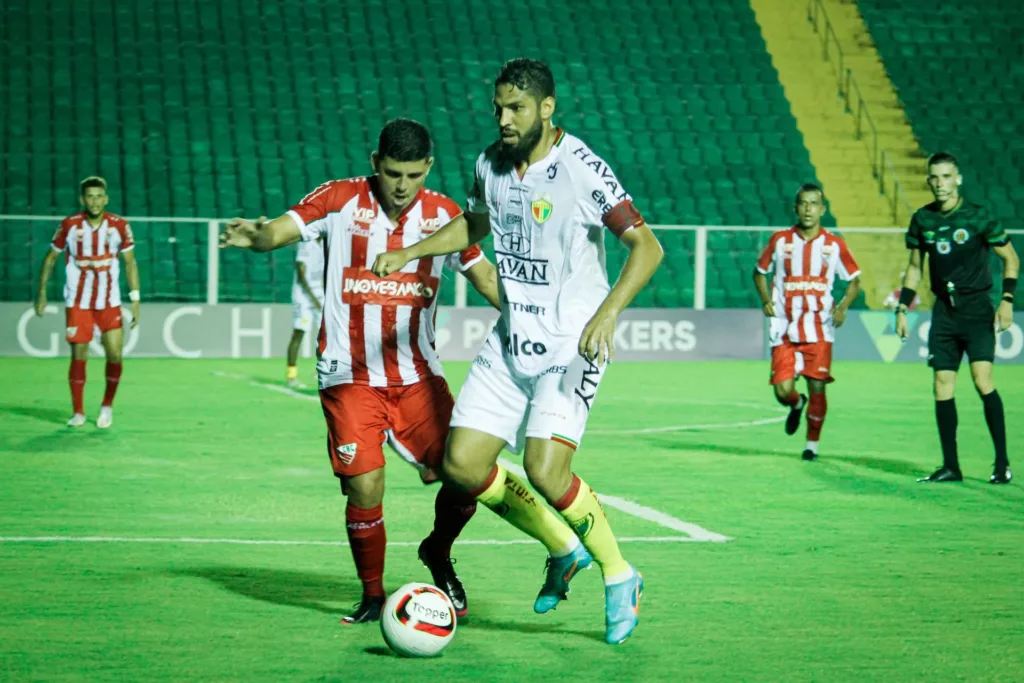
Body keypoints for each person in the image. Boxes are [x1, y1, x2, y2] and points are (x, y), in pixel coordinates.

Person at [371, 58, 664, 645]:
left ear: (547, 108)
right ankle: (562, 548)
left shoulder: (581, 169)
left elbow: (647, 247)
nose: (504, 119)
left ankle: (618, 572)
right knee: (461, 465)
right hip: (510, 341)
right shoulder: (489, 163)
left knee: (545, 469)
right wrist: (412, 252)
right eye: (499, 108)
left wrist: (606, 314)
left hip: (571, 344)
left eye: (517, 109)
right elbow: (475, 223)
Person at [219, 118, 502, 623]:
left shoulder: (444, 214)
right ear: (376, 163)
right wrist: (258, 238)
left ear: (428, 169)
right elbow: (280, 230)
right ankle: (373, 595)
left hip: (418, 375)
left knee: (467, 476)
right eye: (393, 172)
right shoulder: (339, 199)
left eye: (413, 175)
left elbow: (483, 276)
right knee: (365, 487)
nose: (401, 185)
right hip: (349, 375)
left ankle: (436, 551)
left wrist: (539, 319)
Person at [896, 152, 1018, 484]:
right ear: (928, 181)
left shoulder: (979, 218)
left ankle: (1002, 463)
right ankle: (951, 466)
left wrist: (1006, 301)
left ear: (958, 179)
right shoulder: (922, 220)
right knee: (942, 384)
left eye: (946, 177)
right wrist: (902, 308)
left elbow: (1011, 259)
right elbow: (913, 268)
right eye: (934, 178)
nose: (940, 183)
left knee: (983, 381)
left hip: (978, 310)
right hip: (944, 313)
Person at [753, 184, 861, 461]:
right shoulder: (780, 241)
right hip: (784, 328)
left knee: (818, 387)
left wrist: (843, 307)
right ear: (795, 207)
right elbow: (759, 272)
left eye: (814, 204)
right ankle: (795, 403)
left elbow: (854, 280)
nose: (808, 209)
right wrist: (766, 299)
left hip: (819, 328)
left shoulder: (834, 245)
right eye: (803, 203)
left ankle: (811, 445)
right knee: (782, 391)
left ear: (822, 209)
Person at [34, 176, 141, 429]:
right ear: (83, 199)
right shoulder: (70, 225)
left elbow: (130, 263)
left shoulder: (120, 225)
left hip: (109, 301)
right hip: (78, 302)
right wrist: (41, 293)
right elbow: (50, 259)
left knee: (115, 354)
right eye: (89, 196)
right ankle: (79, 412)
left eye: (99, 196)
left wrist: (135, 299)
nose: (94, 201)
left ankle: (106, 406)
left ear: (106, 198)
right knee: (79, 356)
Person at [286, 235, 325, 388]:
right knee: (299, 332)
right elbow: (301, 275)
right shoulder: (306, 244)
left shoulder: (326, 245)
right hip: (303, 295)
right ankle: (291, 376)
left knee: (328, 332)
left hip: (319, 293)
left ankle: (323, 371)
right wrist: (313, 298)